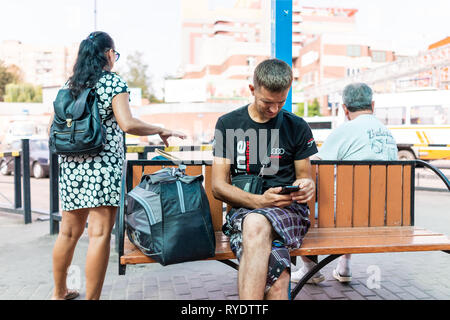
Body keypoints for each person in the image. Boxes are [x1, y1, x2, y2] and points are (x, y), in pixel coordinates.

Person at [50, 31, 186, 300]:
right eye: (115, 54)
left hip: (71, 166)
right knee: (99, 234)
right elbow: (128, 123)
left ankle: (58, 293)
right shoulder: (113, 83)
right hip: (101, 167)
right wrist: (160, 129)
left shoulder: (70, 85)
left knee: (68, 232)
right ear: (109, 54)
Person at [212, 59, 318, 300]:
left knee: (256, 224)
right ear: (252, 90)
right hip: (244, 215)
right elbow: (218, 186)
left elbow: (305, 178)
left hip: (287, 213)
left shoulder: (297, 127)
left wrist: (306, 186)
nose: (274, 110)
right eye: (267, 102)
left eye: (281, 102)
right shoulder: (228, 124)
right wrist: (260, 201)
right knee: (279, 280)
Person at [291, 82, 398, 284]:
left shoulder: (345, 130)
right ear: (372, 105)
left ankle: (309, 268)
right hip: (384, 215)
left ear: (344, 109)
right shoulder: (388, 134)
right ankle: (344, 266)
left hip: (344, 215)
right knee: (348, 204)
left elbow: (316, 167)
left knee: (299, 207)